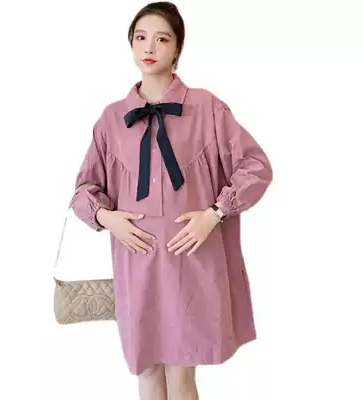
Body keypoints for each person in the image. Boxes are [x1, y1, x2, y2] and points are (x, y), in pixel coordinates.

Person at [71, 2, 273, 399]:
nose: (150, 47)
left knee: (182, 377)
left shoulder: (206, 107)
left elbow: (256, 167)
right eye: (141, 37)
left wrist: (215, 213)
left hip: (190, 263)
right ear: (131, 44)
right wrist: (107, 217)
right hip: (137, 264)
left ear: (177, 48)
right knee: (146, 373)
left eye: (162, 39)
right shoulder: (112, 119)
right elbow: (83, 190)